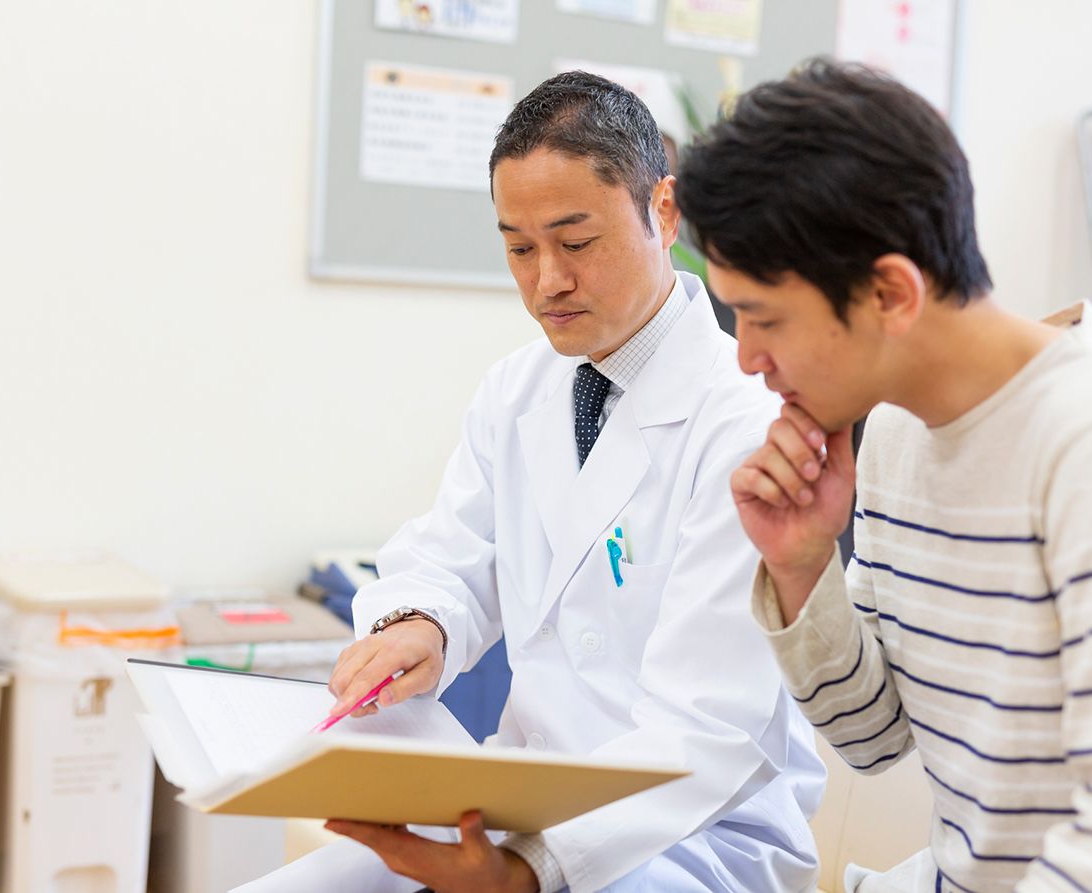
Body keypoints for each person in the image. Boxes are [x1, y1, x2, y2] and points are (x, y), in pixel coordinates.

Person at [238, 71, 823, 893]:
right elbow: (450, 559)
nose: (547, 281)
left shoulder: (746, 424)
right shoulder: (518, 391)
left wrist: (528, 869)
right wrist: (419, 623)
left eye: (576, 243)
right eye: (519, 248)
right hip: (515, 801)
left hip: (688, 840)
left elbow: (706, 732)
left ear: (663, 210)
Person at [674, 58, 1092, 893]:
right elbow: (873, 735)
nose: (746, 357)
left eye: (764, 318)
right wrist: (802, 565)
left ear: (891, 292)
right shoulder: (897, 428)